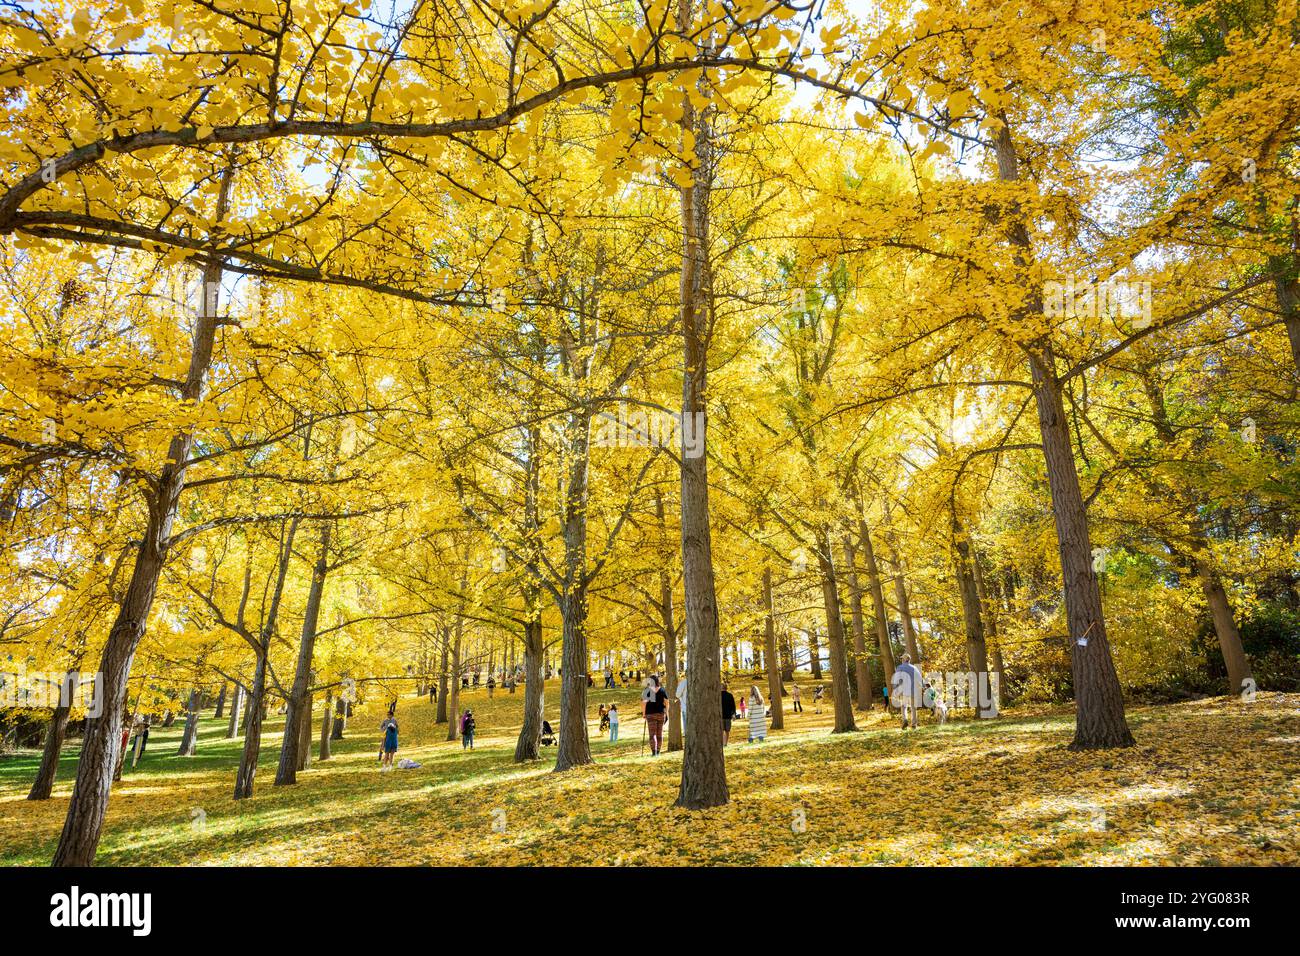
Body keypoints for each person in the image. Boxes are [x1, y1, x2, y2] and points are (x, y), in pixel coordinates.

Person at [892, 653, 922, 729]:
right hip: (913, 690)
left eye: (902, 659)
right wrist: (922, 687)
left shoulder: (900, 667)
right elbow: (919, 679)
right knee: (913, 708)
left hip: (904, 691)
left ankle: (905, 720)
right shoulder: (914, 668)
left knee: (904, 707)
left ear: (904, 660)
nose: (901, 660)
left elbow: (896, 679)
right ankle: (914, 724)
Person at [643, 676, 668, 756]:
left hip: (650, 714)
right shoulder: (662, 690)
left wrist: (644, 713)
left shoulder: (648, 690)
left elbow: (644, 703)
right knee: (659, 733)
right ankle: (658, 751)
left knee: (652, 734)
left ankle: (654, 752)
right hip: (661, 713)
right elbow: (667, 702)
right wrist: (667, 712)